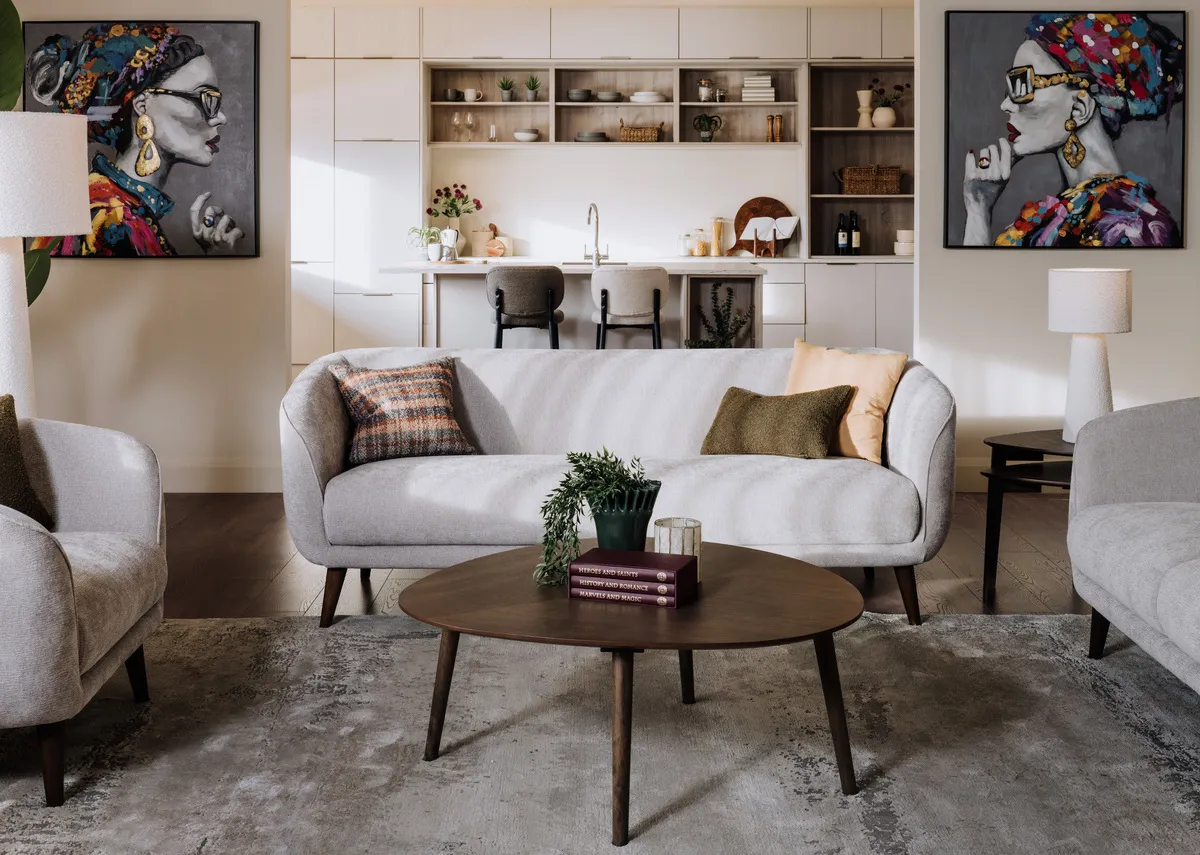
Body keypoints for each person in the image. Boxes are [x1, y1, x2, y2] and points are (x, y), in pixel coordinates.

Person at [963, 12, 1183, 248]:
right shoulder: (1050, 217)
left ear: (1079, 108)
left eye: (1021, 84)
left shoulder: (1133, 227)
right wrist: (978, 208)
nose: (1005, 105)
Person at [27, 23, 244, 256]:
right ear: (142, 106)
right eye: (205, 98)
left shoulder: (115, 205)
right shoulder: (112, 219)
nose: (220, 117)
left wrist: (213, 254)